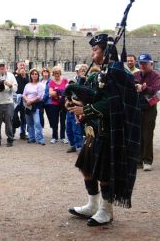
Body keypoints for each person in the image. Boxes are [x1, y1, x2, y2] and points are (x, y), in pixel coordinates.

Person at [67, 33, 141, 226]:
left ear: (106, 53)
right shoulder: (99, 74)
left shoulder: (119, 73)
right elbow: (95, 97)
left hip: (109, 131)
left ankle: (106, 210)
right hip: (93, 131)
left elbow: (113, 102)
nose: (92, 53)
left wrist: (87, 109)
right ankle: (92, 205)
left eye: (95, 49)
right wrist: (78, 104)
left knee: (104, 173)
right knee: (86, 168)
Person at [134, 53, 160, 171]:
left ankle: (147, 160)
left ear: (151, 63)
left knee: (147, 134)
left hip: (150, 108)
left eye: (145, 63)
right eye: (141, 63)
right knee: (137, 134)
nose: (142, 65)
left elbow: (154, 89)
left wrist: (143, 88)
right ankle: (138, 160)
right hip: (137, 107)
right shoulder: (135, 75)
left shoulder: (156, 76)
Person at [0, 59, 17, 147]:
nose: (2, 67)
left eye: (3, 65)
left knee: (9, 122)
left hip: (8, 103)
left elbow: (15, 89)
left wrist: (10, 85)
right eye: (0, 66)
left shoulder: (11, 76)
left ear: (6, 66)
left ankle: (10, 139)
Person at [22, 68, 45, 145]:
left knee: (37, 122)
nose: (34, 75)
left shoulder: (40, 85)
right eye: (32, 74)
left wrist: (31, 101)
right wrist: (27, 100)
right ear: (30, 75)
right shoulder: (27, 85)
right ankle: (31, 138)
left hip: (36, 105)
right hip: (28, 106)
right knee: (29, 123)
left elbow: (40, 96)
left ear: (38, 75)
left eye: (36, 74)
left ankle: (40, 139)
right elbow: (24, 94)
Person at [47, 66, 68, 144]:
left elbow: (67, 92)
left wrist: (57, 91)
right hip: (54, 104)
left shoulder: (65, 80)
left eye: (58, 73)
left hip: (63, 104)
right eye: (55, 73)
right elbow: (50, 93)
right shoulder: (51, 82)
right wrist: (61, 92)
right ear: (53, 74)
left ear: (60, 73)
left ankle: (63, 137)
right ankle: (54, 137)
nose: (56, 74)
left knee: (63, 121)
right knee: (55, 121)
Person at [13, 60, 29, 140]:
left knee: (24, 117)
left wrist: (24, 77)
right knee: (14, 116)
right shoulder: (13, 74)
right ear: (17, 66)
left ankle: (23, 133)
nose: (22, 66)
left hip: (24, 98)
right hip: (15, 99)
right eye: (21, 65)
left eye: (23, 65)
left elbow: (28, 84)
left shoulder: (26, 75)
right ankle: (12, 133)